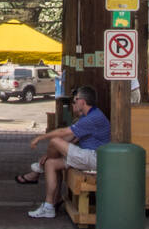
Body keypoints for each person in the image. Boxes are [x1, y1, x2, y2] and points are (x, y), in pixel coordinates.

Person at [19, 86, 110, 218]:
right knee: (51, 163)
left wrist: (40, 138)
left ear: (82, 101)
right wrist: (49, 155)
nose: (73, 103)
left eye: (75, 100)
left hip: (95, 158)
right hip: (86, 156)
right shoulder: (87, 116)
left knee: (55, 141)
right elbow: (70, 138)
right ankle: (49, 206)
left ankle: (39, 168)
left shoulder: (93, 117)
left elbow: (63, 133)